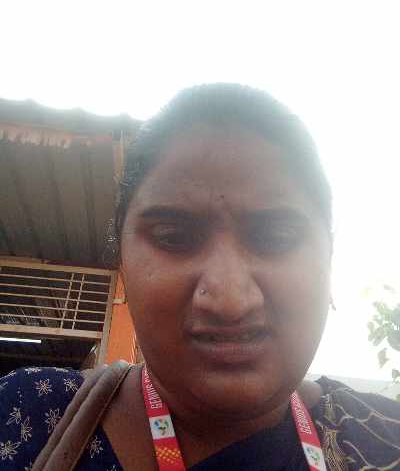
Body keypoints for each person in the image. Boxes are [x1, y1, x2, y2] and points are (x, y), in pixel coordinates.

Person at [1, 83, 400, 470]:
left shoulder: (384, 439)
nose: (230, 301)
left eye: (277, 238)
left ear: (329, 256)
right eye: (173, 237)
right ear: (122, 258)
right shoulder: (26, 416)